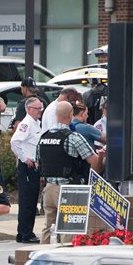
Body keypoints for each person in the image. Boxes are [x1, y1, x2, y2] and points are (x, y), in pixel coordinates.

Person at [36, 101, 99, 244]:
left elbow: (37, 162)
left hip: (49, 188)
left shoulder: (44, 137)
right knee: (69, 229)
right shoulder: (73, 137)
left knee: (48, 226)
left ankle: (42, 258)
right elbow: (94, 161)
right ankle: (66, 260)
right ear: (70, 115)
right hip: (69, 188)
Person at [9, 96, 44, 244]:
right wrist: (25, 159)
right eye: (37, 109)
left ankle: (24, 231)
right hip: (28, 167)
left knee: (32, 200)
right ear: (29, 109)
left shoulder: (36, 123)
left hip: (34, 166)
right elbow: (15, 142)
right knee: (27, 201)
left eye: (41, 108)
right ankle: (25, 233)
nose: (40, 111)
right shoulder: (27, 124)